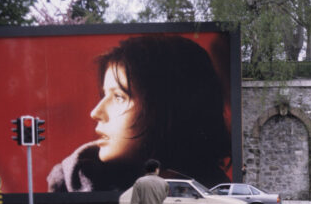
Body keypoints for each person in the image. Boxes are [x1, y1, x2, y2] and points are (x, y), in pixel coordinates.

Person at [48, 34, 231, 194]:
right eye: (104, 95)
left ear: (166, 109)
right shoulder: (69, 181)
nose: (95, 113)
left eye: (119, 97)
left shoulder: (213, 193)